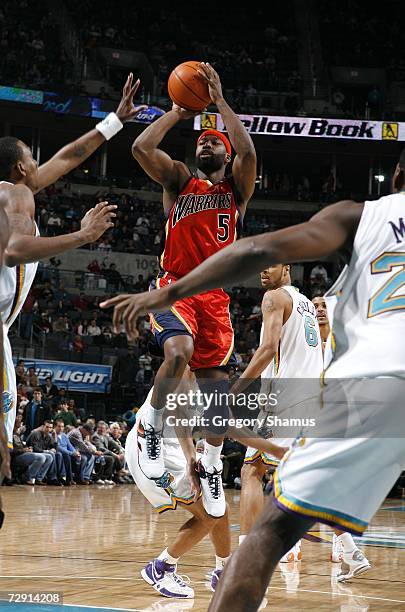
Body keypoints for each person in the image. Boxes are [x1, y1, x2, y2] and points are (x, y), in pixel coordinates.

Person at [104, 149, 405, 610]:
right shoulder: (306, 301)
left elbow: (264, 328)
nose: (265, 273)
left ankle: (229, 557)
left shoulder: (298, 277)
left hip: (317, 392)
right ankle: (344, 548)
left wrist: (173, 293)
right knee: (282, 479)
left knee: (255, 491)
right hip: (340, 392)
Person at [103, 62, 256, 518]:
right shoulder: (178, 182)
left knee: (217, 400)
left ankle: (209, 465)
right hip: (173, 288)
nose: (206, 142)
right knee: (178, 351)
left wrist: (221, 103)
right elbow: (139, 146)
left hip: (216, 300)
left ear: (225, 157)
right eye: (202, 140)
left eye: (214, 141)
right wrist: (176, 110)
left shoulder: (235, 190)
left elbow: (248, 152)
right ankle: (149, 422)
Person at [0, 73, 144, 450]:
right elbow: (14, 250)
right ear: (19, 169)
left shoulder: (11, 191)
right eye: (32, 158)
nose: (38, 164)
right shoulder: (17, 194)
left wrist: (115, 120)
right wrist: (82, 236)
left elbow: (68, 157)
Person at [125, 375, 286, 599]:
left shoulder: (215, 380)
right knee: (210, 514)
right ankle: (161, 568)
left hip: (178, 449)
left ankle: (223, 571)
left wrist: (275, 450)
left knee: (221, 510)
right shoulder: (187, 364)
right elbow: (177, 414)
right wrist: (191, 458)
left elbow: (226, 425)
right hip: (156, 447)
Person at [11, 420, 53, 485]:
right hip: (16, 456)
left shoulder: (17, 435)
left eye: (20, 427)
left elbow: (22, 445)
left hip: (24, 453)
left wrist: (27, 448)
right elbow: (11, 450)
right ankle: (27, 477)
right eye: (19, 427)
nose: (21, 428)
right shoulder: (10, 435)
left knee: (49, 457)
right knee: (41, 457)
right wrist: (23, 450)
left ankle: (38, 478)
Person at [26, 421, 64, 485]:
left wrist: (55, 437)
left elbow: (55, 448)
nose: (48, 429)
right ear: (43, 427)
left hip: (40, 453)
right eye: (47, 427)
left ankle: (39, 478)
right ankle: (52, 477)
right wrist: (48, 451)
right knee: (50, 455)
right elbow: (35, 448)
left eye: (50, 428)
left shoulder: (48, 437)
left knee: (52, 455)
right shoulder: (36, 434)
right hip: (30, 452)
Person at [53, 419, 81, 485]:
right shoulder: (53, 435)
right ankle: (68, 479)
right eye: (59, 426)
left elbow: (70, 446)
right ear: (55, 427)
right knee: (66, 456)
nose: (61, 428)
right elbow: (58, 448)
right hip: (60, 453)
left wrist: (75, 452)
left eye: (62, 427)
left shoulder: (64, 435)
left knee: (78, 458)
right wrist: (71, 453)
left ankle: (78, 478)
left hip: (67, 453)